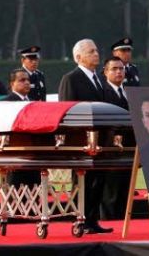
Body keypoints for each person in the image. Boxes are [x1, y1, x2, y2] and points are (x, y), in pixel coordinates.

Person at [57, 39, 112, 234]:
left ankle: (92, 220)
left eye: (96, 50)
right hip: (82, 142)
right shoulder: (71, 78)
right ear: (79, 57)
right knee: (82, 184)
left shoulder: (99, 79)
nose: (96, 54)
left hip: (100, 141)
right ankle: (80, 220)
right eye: (91, 51)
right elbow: (67, 110)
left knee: (98, 183)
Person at [0, 69, 40, 188]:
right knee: (16, 194)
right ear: (12, 84)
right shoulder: (6, 103)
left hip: (34, 154)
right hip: (16, 155)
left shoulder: (33, 102)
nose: (26, 83)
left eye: (28, 80)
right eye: (22, 80)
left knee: (35, 195)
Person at [99, 57, 132, 220]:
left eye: (121, 68)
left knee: (125, 187)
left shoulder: (129, 91)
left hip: (129, 148)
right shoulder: (102, 92)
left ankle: (122, 219)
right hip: (110, 148)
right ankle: (109, 219)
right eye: (114, 69)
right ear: (105, 72)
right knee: (110, 190)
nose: (119, 72)